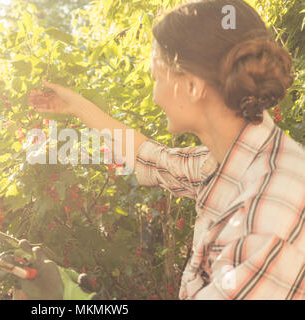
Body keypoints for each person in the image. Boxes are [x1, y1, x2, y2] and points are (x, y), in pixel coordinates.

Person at [22, 0, 305, 299]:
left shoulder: (264, 217)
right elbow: (153, 159)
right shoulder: (237, 161)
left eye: (157, 76)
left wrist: (70, 301)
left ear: (193, 87)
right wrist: (75, 106)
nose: (156, 95)